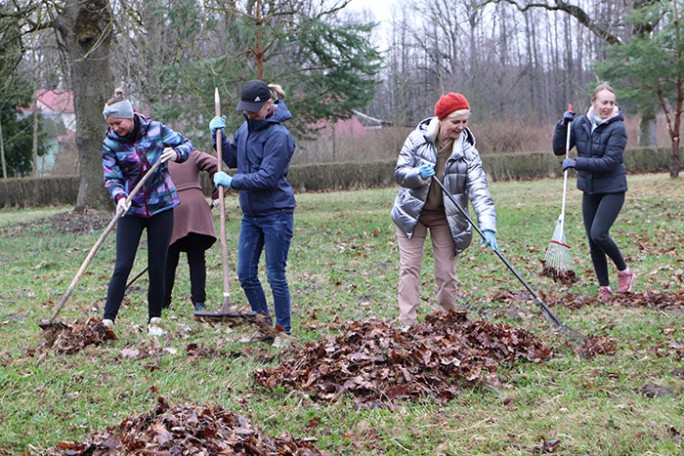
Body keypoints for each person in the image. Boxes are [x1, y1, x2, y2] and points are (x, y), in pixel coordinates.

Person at [391, 92, 497, 330]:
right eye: (455, 122)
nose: (461, 127)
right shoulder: (417, 140)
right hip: (412, 216)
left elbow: (479, 190)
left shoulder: (468, 152)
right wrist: (417, 174)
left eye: (465, 121)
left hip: (446, 218)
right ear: (441, 119)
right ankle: (407, 324)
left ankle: (449, 323)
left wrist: (488, 225)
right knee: (409, 268)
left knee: (446, 273)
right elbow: (400, 173)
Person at [209, 80, 296, 348]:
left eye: (253, 110)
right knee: (246, 273)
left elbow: (267, 177)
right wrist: (219, 137)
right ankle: (263, 325)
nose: (248, 114)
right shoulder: (246, 129)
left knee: (275, 274)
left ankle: (283, 331)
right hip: (251, 214)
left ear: (268, 106)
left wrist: (232, 182)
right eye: (245, 110)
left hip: (276, 213)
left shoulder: (279, 137)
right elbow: (234, 159)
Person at [101, 88, 193, 335]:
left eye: (118, 123)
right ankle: (108, 320)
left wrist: (176, 153)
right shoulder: (110, 142)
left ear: (129, 116)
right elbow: (111, 176)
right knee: (122, 265)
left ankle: (155, 320)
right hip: (131, 209)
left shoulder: (156, 129)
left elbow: (187, 145)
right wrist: (119, 197)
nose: (115, 128)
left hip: (161, 206)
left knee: (157, 265)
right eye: (111, 124)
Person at [553, 82, 635, 300]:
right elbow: (559, 149)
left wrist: (577, 163)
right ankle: (604, 287)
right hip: (590, 189)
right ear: (594, 102)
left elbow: (610, 161)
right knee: (592, 239)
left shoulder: (617, 128)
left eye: (611, 103)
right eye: (604, 102)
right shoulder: (579, 124)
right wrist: (563, 124)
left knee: (599, 233)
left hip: (612, 188)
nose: (607, 106)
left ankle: (624, 271)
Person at [164, 150, 219, 312]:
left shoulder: (157, 157)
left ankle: (163, 301)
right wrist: (217, 193)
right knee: (196, 258)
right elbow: (215, 164)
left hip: (171, 208)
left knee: (168, 259)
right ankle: (199, 302)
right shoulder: (191, 154)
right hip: (195, 208)